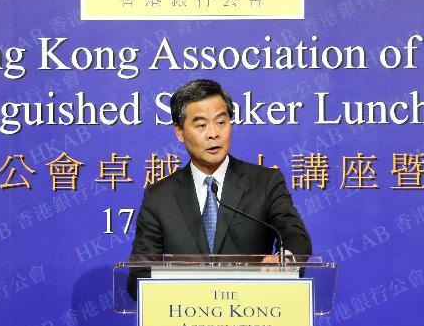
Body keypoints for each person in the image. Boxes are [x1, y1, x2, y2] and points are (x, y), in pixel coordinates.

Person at [128, 79, 311, 295]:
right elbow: (138, 275)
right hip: (184, 318)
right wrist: (172, 280)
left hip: (255, 315)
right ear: (179, 131)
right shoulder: (160, 197)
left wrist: (284, 259)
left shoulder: (265, 182)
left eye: (221, 122)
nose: (213, 133)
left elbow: (295, 235)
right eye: (201, 125)